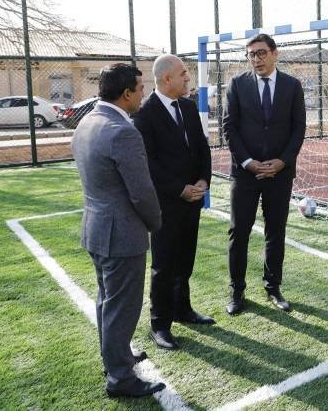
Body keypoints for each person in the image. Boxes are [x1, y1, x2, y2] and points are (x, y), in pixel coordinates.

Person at [71, 63, 165, 398]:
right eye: (141, 88)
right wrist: (156, 223)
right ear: (126, 94)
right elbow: (141, 192)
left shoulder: (88, 122)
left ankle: (116, 357)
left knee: (107, 301)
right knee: (121, 308)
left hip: (96, 229)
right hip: (121, 235)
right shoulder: (123, 132)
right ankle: (120, 378)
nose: (144, 93)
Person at [132, 55, 215, 352]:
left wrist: (203, 182)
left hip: (193, 201)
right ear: (167, 79)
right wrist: (180, 189)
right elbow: (149, 164)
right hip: (167, 203)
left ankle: (183, 309)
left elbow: (202, 150)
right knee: (164, 265)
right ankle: (160, 324)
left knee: (185, 260)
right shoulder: (145, 115)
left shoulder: (189, 108)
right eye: (183, 74)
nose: (188, 78)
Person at [223, 33, 306, 315]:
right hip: (246, 173)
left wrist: (282, 162)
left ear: (274, 54)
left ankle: (273, 287)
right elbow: (229, 127)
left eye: (260, 53)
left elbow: (298, 128)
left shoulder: (293, 86)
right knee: (239, 231)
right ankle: (237, 291)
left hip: (279, 174)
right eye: (251, 55)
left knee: (275, 231)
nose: (255, 59)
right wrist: (247, 161)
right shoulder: (236, 85)